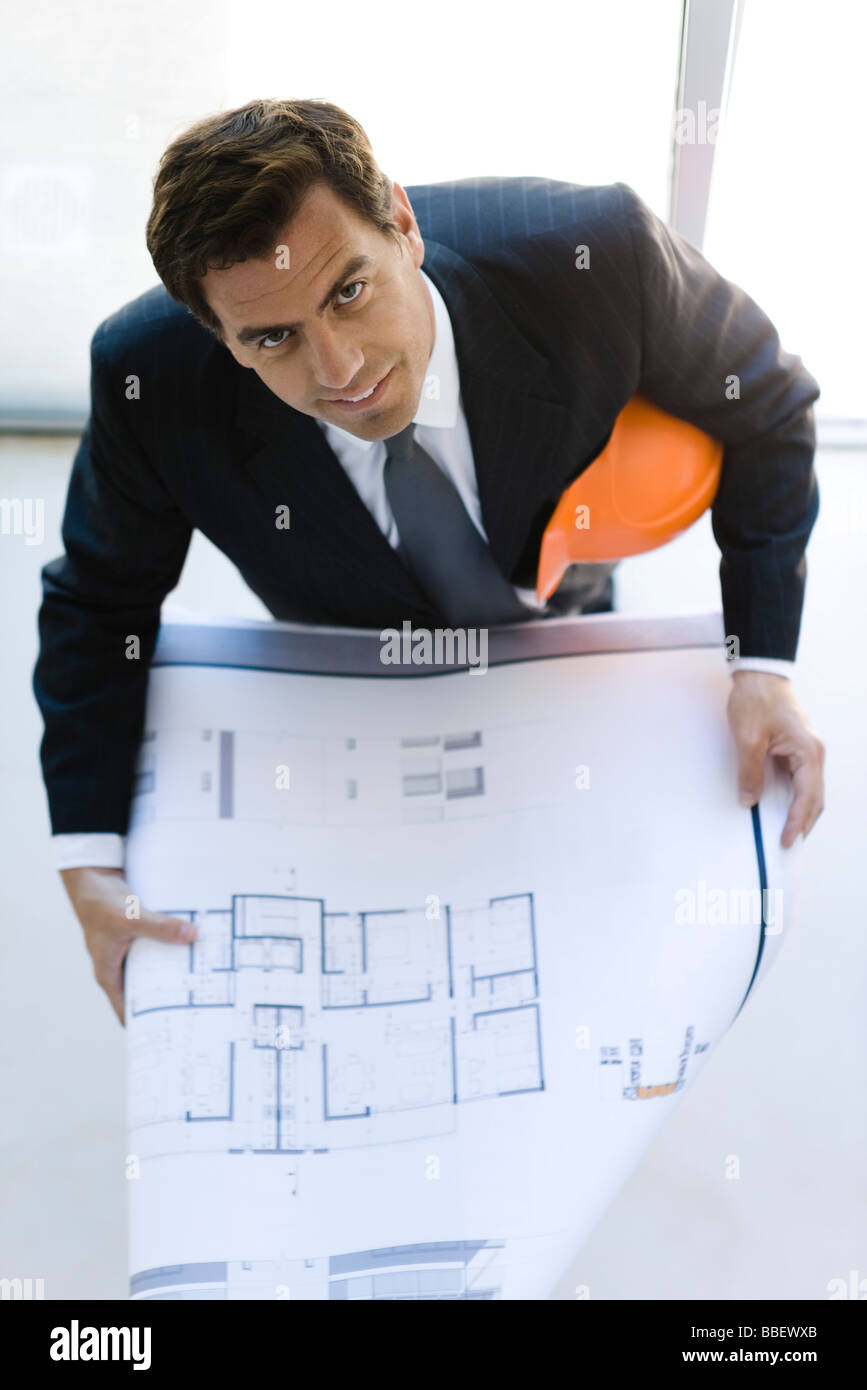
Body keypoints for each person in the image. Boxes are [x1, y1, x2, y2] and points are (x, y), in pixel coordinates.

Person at [32, 98, 826, 1023]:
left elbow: (766, 408)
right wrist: (87, 858)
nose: (338, 370)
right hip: (356, 680)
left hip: (569, 620)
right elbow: (98, 601)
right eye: (272, 338)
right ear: (219, 338)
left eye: (347, 292)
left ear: (403, 225)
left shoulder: (595, 255)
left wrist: (762, 664)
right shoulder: (150, 377)